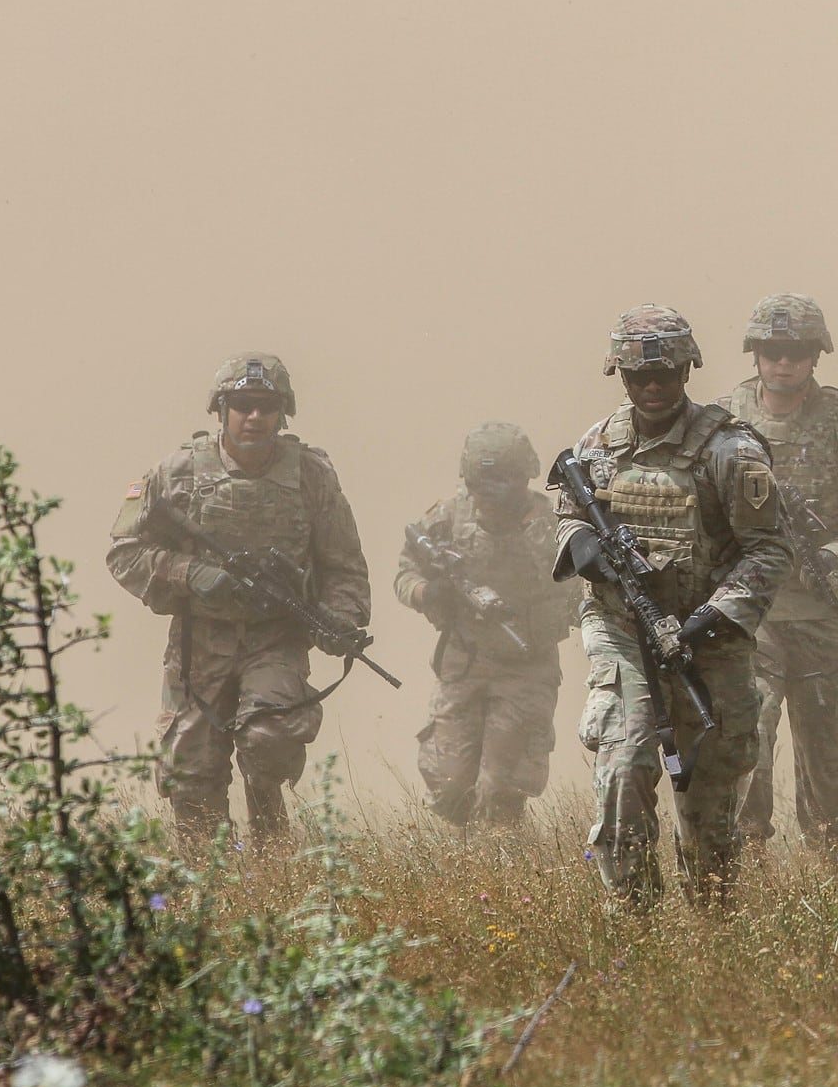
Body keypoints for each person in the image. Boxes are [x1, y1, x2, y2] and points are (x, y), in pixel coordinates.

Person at [555, 305, 793, 908]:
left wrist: (709, 619)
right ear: (622, 379)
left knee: (710, 794)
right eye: (639, 379)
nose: (653, 389)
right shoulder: (598, 446)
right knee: (626, 760)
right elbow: (566, 516)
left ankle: (713, 923)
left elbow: (768, 551)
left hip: (707, 640)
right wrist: (584, 547)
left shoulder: (729, 451)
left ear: (687, 371)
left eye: (665, 375)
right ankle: (634, 921)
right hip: (622, 629)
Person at [107, 352, 371, 843]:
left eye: (266, 406)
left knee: (269, 743)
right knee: (190, 774)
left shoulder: (311, 476)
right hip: (198, 642)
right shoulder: (176, 472)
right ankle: (213, 892)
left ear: (283, 412)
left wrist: (339, 621)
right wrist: (190, 572)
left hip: (276, 638)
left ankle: (271, 855)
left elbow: (344, 567)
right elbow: (124, 552)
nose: (254, 417)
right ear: (221, 409)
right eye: (243, 405)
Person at [725, 293, 838, 850]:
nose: (784, 362)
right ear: (756, 354)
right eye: (773, 350)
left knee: (827, 753)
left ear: (815, 356)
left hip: (824, 616)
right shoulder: (723, 424)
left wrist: (836, 556)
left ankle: (837, 870)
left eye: (796, 351)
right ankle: (740, 866)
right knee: (745, 734)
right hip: (749, 612)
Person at [394, 422, 578, 826]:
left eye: (503, 481)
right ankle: (464, 879)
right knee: (451, 789)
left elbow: (584, 593)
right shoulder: (447, 518)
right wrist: (428, 592)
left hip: (526, 670)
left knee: (501, 792)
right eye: (482, 482)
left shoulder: (553, 528)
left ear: (525, 477)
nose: (491, 494)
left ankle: (508, 878)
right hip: (463, 664)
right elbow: (405, 574)